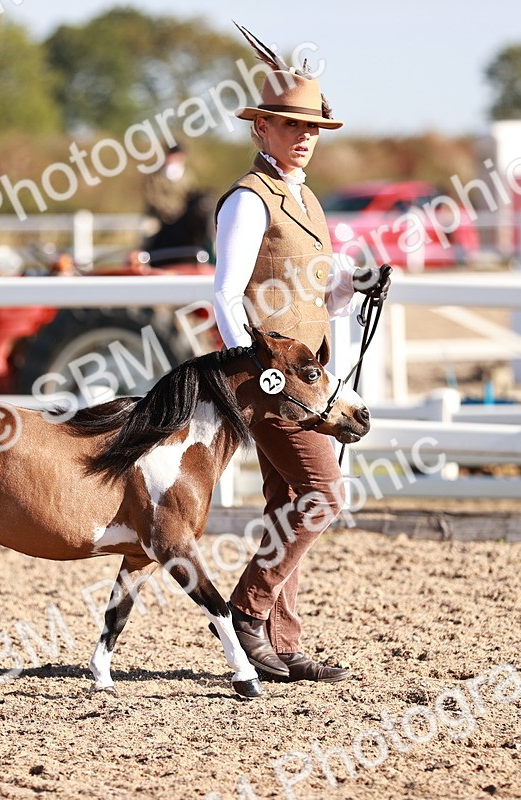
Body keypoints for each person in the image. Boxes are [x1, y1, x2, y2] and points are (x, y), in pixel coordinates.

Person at [213, 29, 391, 683]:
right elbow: (224, 293)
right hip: (271, 379)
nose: (305, 135)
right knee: (325, 493)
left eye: (312, 125)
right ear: (261, 128)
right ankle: (247, 611)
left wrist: (356, 285)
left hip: (308, 377)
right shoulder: (248, 201)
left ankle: (281, 645)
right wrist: (249, 366)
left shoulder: (308, 199)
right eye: (290, 125)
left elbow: (323, 294)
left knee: (287, 501)